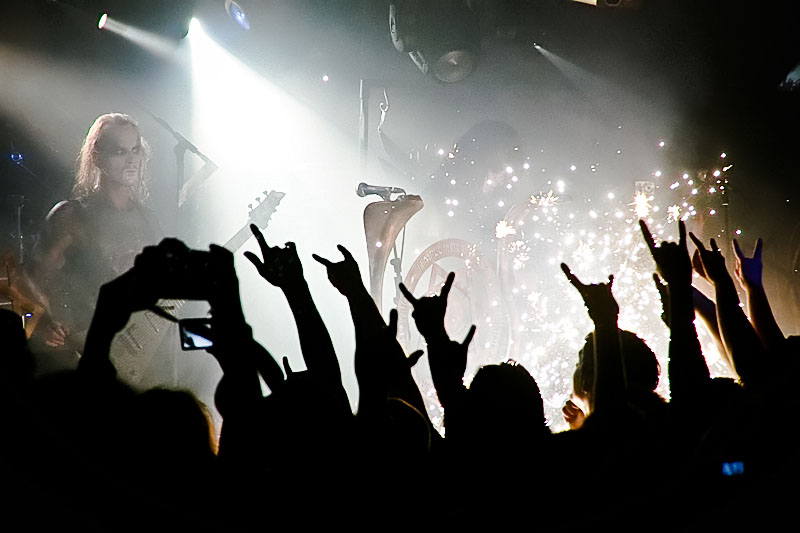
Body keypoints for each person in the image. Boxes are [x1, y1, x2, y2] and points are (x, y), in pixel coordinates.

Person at [27, 113, 161, 365]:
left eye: (135, 150)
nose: (131, 160)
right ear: (97, 157)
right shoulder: (71, 215)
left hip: (134, 353)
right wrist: (46, 322)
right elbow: (33, 277)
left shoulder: (147, 219)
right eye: (120, 152)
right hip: (80, 348)